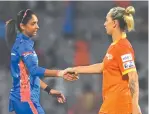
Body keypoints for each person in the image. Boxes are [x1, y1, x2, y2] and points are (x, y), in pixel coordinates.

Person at [66, 6, 142, 114]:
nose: (104, 24)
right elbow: (102, 67)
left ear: (115, 23)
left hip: (119, 107)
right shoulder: (113, 46)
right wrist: (75, 69)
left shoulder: (123, 46)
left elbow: (133, 77)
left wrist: (135, 106)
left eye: (107, 20)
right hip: (110, 105)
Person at [5, 9, 78, 114]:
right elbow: (34, 71)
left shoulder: (23, 46)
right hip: (25, 99)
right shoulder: (23, 48)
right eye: (33, 24)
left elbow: (30, 76)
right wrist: (60, 73)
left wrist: (49, 89)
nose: (37, 27)